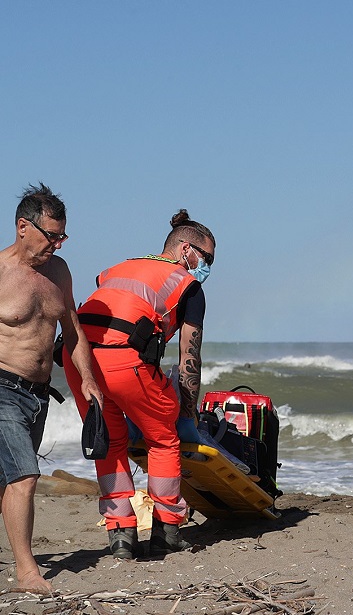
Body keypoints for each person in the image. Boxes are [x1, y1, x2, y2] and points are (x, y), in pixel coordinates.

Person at [64, 209, 216, 559]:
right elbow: (189, 360)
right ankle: (166, 530)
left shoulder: (119, 268)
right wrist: (187, 413)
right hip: (123, 362)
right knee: (163, 439)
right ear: (186, 249)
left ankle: (121, 536)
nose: (206, 268)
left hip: (76, 361)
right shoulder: (187, 285)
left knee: (111, 442)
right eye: (206, 258)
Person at [0, 184, 103, 593]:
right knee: (25, 476)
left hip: (39, 393)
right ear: (23, 227)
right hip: (2, 385)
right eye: (51, 236)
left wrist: (90, 381)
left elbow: (74, 332)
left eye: (63, 236)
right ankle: (27, 572)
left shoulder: (59, 272)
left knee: (7, 481)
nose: (57, 244)